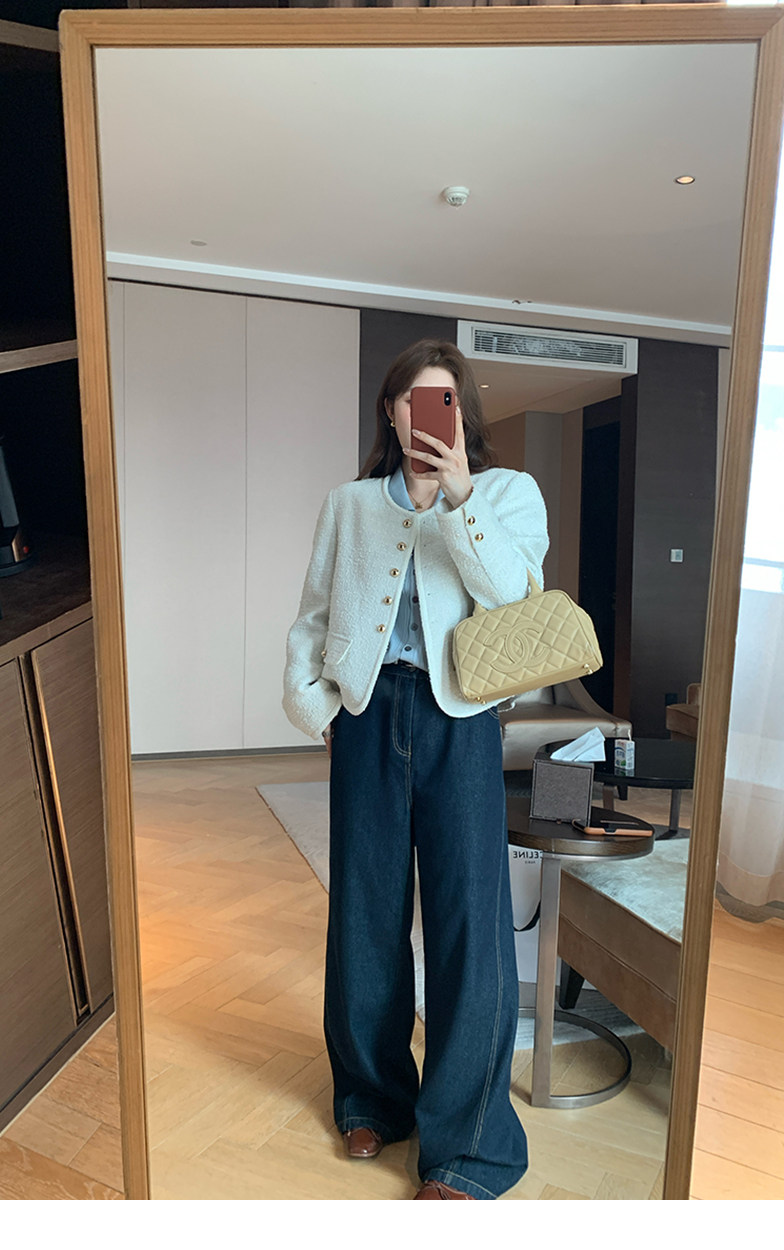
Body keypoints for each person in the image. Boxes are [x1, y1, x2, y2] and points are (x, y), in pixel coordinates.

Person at [282, 339, 549, 1200]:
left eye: (443, 401)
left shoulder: (507, 494)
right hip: (368, 720)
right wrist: (323, 708)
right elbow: (314, 616)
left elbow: (514, 595)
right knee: (364, 912)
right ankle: (372, 1096)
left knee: (470, 921)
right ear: (390, 412)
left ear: (462, 413)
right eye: (410, 400)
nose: (424, 414)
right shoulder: (350, 504)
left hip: (460, 721)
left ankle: (469, 1146)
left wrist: (461, 496)